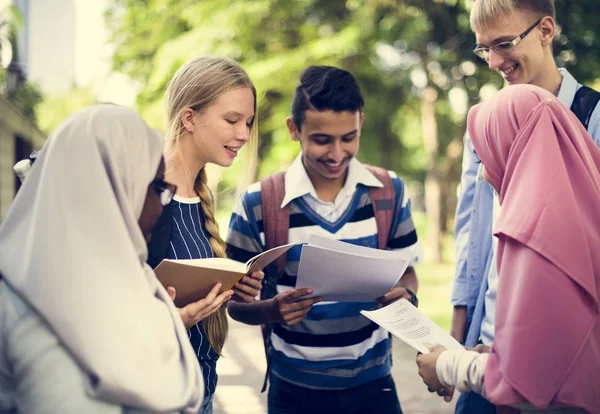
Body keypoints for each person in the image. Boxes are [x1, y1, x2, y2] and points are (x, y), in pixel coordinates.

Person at [225, 65, 423, 414]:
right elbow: (233, 303)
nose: (336, 154)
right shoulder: (258, 204)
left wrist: (406, 296)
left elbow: (407, 274)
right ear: (294, 129)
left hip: (375, 386)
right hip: (294, 392)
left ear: (360, 122)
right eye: (321, 140)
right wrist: (271, 310)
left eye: (349, 137)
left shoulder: (390, 192)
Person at [0, 104, 204, 413]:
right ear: (113, 187)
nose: (161, 206)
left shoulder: (132, 278)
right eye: (158, 187)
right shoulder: (25, 315)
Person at [450, 1, 600, 412]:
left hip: (563, 357)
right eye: (483, 50)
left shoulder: (595, 118)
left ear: (546, 31)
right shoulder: (486, 123)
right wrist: (457, 342)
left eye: (504, 43)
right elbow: (472, 235)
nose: (495, 61)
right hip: (486, 345)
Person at [418, 84, 600, 413]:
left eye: (490, 150)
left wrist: (447, 365)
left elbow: (527, 383)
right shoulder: (582, 214)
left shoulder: (534, 236)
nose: (485, 171)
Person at [146, 55, 264, 414]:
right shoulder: (142, 195)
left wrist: (232, 289)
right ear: (189, 117)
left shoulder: (200, 199)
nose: (243, 134)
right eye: (232, 120)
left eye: (248, 122)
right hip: (154, 397)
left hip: (201, 394)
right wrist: (174, 321)